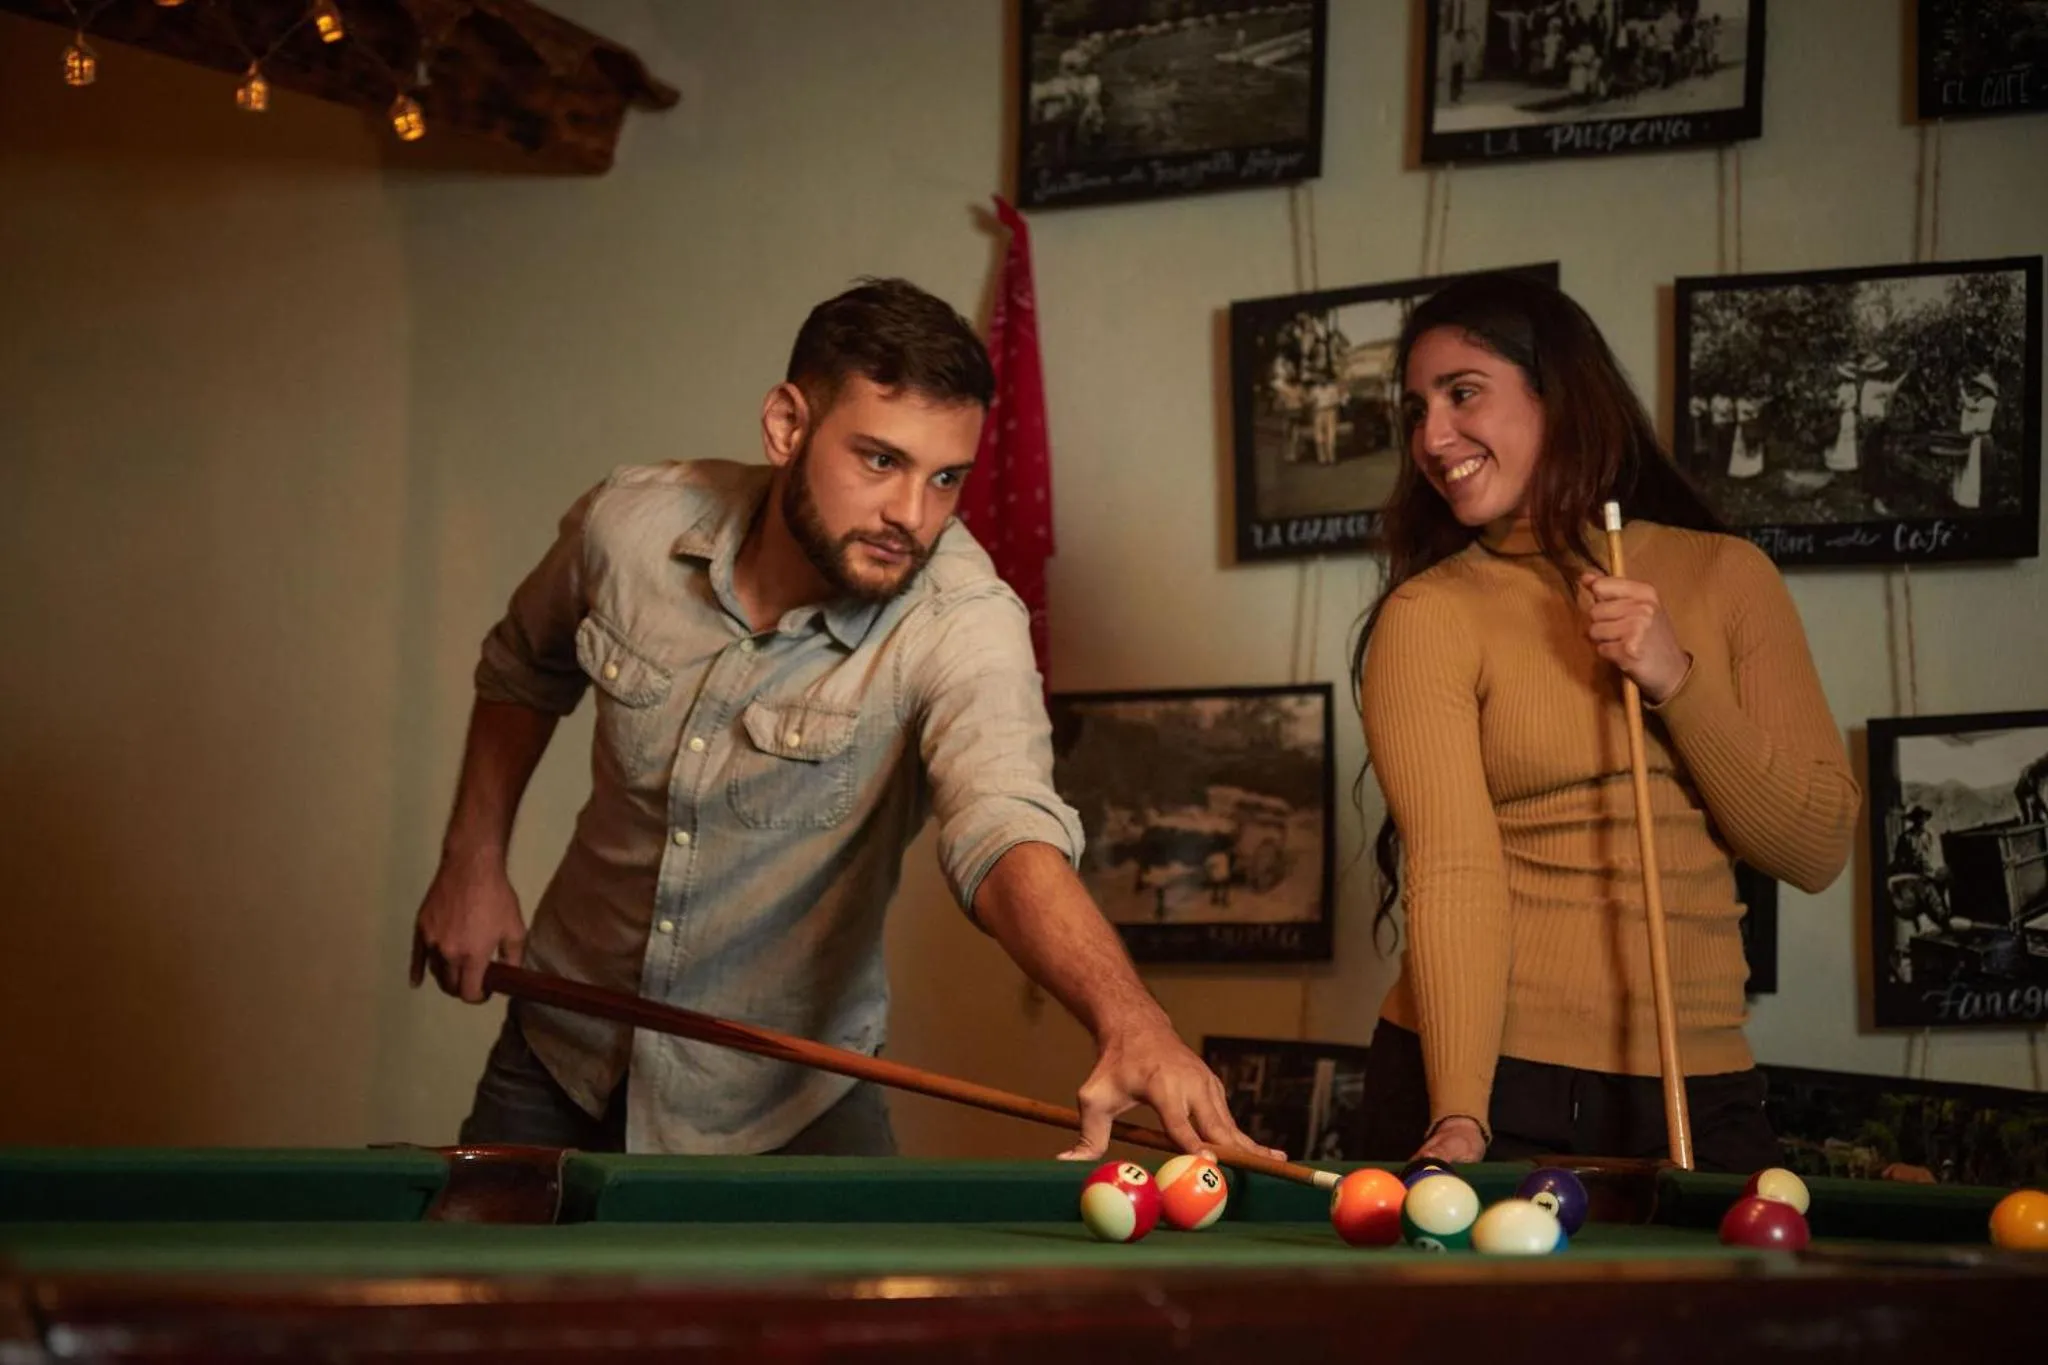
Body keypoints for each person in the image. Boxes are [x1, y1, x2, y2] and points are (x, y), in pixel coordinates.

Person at [411, 277, 1280, 1164]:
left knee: (872, 1310)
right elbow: (525, 663)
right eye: (880, 461)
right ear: (787, 426)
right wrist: (472, 863)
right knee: (469, 1299)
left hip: (789, 1099)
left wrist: (1132, 1020)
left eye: (946, 478)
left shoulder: (962, 618)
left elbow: (1004, 825)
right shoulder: (627, 526)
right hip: (563, 1048)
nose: (913, 514)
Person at [1347, 271, 1861, 1174]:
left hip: (1701, 1085)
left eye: (1464, 393)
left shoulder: (1727, 577)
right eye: (1416, 409)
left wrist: (1676, 679)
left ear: (1561, 394)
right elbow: (1454, 866)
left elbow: (1814, 846)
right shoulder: (1428, 614)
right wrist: (1460, 1110)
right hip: (1489, 1082)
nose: (1431, 437)